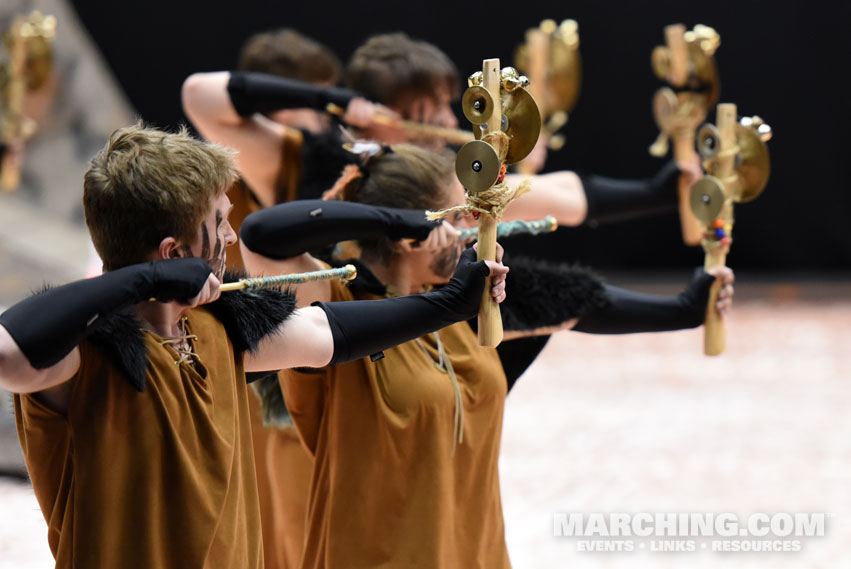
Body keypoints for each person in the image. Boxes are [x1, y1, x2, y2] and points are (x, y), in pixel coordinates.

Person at [0, 124, 507, 569]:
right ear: (172, 253)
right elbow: (7, 351)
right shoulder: (82, 357)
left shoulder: (215, 332)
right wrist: (143, 280)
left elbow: (326, 333)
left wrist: (449, 304)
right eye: (219, 222)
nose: (232, 234)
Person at [238, 143, 734, 568]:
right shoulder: (332, 309)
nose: (467, 232)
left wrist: (685, 310)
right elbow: (262, 235)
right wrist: (400, 221)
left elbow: (576, 303)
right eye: (455, 217)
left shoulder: (462, 308)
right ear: (413, 231)